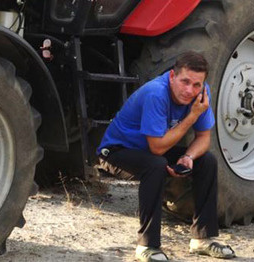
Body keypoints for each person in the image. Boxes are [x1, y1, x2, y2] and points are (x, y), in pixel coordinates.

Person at [97, 51, 236, 261]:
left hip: (152, 149)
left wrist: (188, 156)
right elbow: (157, 149)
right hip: (116, 152)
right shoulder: (156, 93)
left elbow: (204, 138)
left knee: (206, 160)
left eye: (197, 85)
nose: (190, 90)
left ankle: (202, 239)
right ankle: (147, 246)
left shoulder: (201, 93)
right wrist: (192, 116)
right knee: (156, 164)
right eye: (185, 82)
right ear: (172, 76)